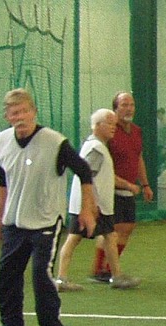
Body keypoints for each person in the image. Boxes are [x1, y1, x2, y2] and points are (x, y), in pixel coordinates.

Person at [0, 88, 98, 326]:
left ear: (34, 111)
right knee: (6, 276)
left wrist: (87, 210)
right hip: (14, 222)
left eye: (24, 111)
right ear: (7, 116)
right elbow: (3, 182)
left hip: (46, 220)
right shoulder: (1, 141)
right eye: (14, 113)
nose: (20, 117)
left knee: (40, 274)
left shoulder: (55, 142)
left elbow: (84, 171)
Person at [54, 108, 141, 292]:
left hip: (97, 205)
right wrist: (90, 205)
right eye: (109, 123)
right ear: (97, 126)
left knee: (110, 236)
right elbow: (88, 178)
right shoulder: (96, 149)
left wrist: (128, 186)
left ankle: (116, 276)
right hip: (90, 206)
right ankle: (61, 279)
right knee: (73, 239)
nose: (113, 127)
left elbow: (103, 176)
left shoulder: (99, 146)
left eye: (114, 124)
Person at [91, 92, 153, 283]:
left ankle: (109, 269)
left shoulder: (136, 131)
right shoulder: (109, 132)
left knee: (127, 227)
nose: (129, 108)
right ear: (115, 108)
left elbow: (138, 158)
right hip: (110, 189)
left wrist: (145, 184)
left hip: (129, 188)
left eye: (131, 105)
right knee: (112, 229)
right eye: (124, 104)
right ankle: (100, 270)